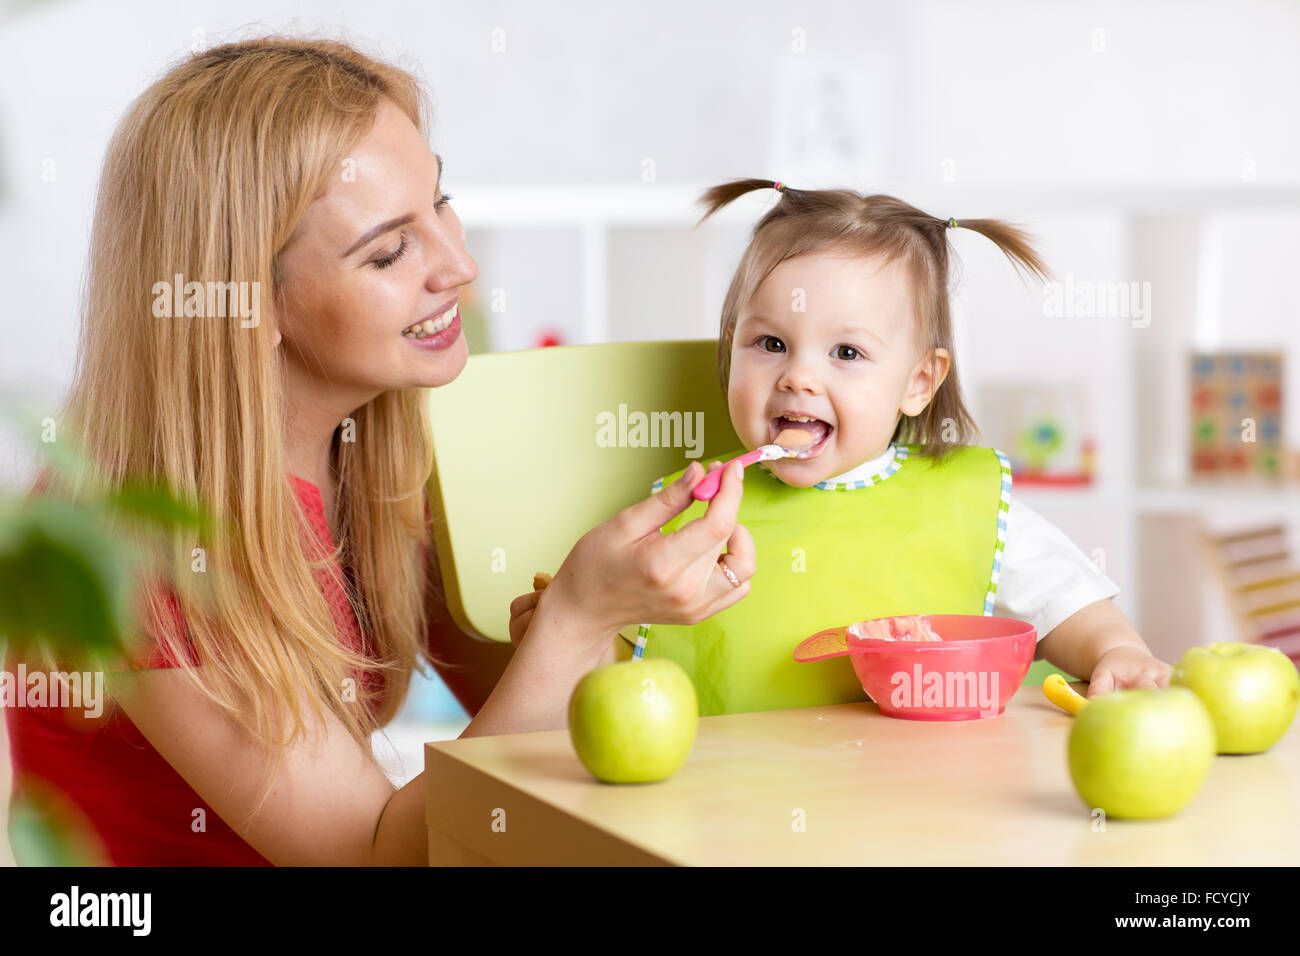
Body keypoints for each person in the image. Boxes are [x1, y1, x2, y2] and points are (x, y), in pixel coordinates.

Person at [4, 36, 756, 867]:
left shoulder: (376, 450)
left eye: (442, 203)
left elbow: (511, 720)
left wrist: (588, 624)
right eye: (390, 251)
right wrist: (579, 619)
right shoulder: (150, 542)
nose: (459, 265)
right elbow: (379, 858)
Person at [529, 179, 1172, 716]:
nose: (798, 377)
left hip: (922, 814)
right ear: (731, 347)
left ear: (919, 381)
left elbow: (1070, 604)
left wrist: (1117, 652)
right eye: (771, 343)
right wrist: (566, 634)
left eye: (847, 353)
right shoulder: (690, 523)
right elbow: (623, 665)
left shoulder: (965, 503)